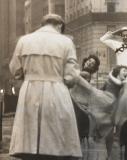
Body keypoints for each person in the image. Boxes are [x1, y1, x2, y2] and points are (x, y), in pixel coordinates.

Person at [9, 14, 82, 160]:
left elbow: (15, 69)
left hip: (29, 90)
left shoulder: (24, 40)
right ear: (60, 25)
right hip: (56, 90)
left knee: (29, 138)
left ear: (42, 24)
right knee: (57, 137)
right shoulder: (66, 42)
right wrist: (65, 80)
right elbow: (71, 75)